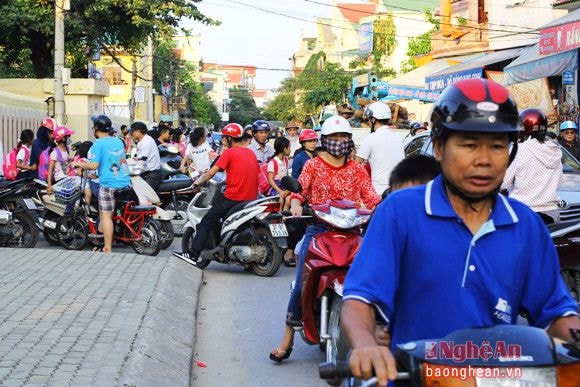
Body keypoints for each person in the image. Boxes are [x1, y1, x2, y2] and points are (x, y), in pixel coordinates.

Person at [340, 79, 580, 385]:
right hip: (411, 378)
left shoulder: (526, 225)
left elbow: (555, 312)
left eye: (497, 146)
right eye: (469, 144)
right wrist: (365, 345)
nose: (484, 160)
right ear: (439, 147)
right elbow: (359, 299)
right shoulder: (400, 212)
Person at [269, 116, 381, 363]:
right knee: (299, 285)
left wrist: (386, 208)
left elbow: (373, 198)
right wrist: (297, 204)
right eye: (334, 138)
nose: (339, 142)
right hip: (318, 231)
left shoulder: (357, 170)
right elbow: (299, 192)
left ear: (349, 141)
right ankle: (287, 338)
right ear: (325, 141)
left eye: (343, 138)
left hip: (352, 234)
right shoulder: (313, 166)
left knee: (372, 282)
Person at [172, 123, 259, 266]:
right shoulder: (250, 152)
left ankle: (193, 255)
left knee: (206, 221)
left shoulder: (229, 153)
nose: (223, 140)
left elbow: (212, 172)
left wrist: (197, 182)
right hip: (250, 199)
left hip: (233, 197)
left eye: (225, 137)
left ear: (229, 139)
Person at [71, 115, 131, 254]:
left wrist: (78, 163)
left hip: (109, 184)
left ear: (96, 129)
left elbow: (94, 165)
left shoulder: (98, 144)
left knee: (106, 216)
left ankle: (107, 247)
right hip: (125, 182)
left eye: (93, 127)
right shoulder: (118, 141)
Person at [501, 108, 563, 224]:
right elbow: (559, 182)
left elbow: (504, 182)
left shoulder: (519, 149)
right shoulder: (555, 150)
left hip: (524, 212)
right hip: (552, 214)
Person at [356, 102, 405, 196]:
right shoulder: (398, 137)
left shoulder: (371, 138)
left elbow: (356, 164)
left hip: (379, 191)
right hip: (398, 190)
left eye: (369, 119)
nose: (368, 122)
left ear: (373, 119)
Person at [130, 121, 162, 191]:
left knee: (142, 195)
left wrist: (130, 171)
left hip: (152, 175)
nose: (131, 134)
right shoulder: (141, 141)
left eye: (132, 131)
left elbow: (142, 162)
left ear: (138, 131)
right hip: (147, 173)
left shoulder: (147, 142)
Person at [46, 126, 75, 194]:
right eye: (68, 136)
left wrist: (69, 161)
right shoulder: (54, 153)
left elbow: (64, 161)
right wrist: (49, 186)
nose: (69, 138)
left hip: (67, 177)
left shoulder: (67, 148)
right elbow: (50, 170)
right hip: (60, 179)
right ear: (63, 138)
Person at [266, 136, 291, 213]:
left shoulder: (286, 160)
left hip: (284, 185)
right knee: (280, 199)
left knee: (289, 198)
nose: (290, 150)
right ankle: (279, 215)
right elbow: (270, 179)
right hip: (275, 187)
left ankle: (285, 214)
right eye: (289, 148)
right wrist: (279, 191)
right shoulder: (272, 162)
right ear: (284, 149)